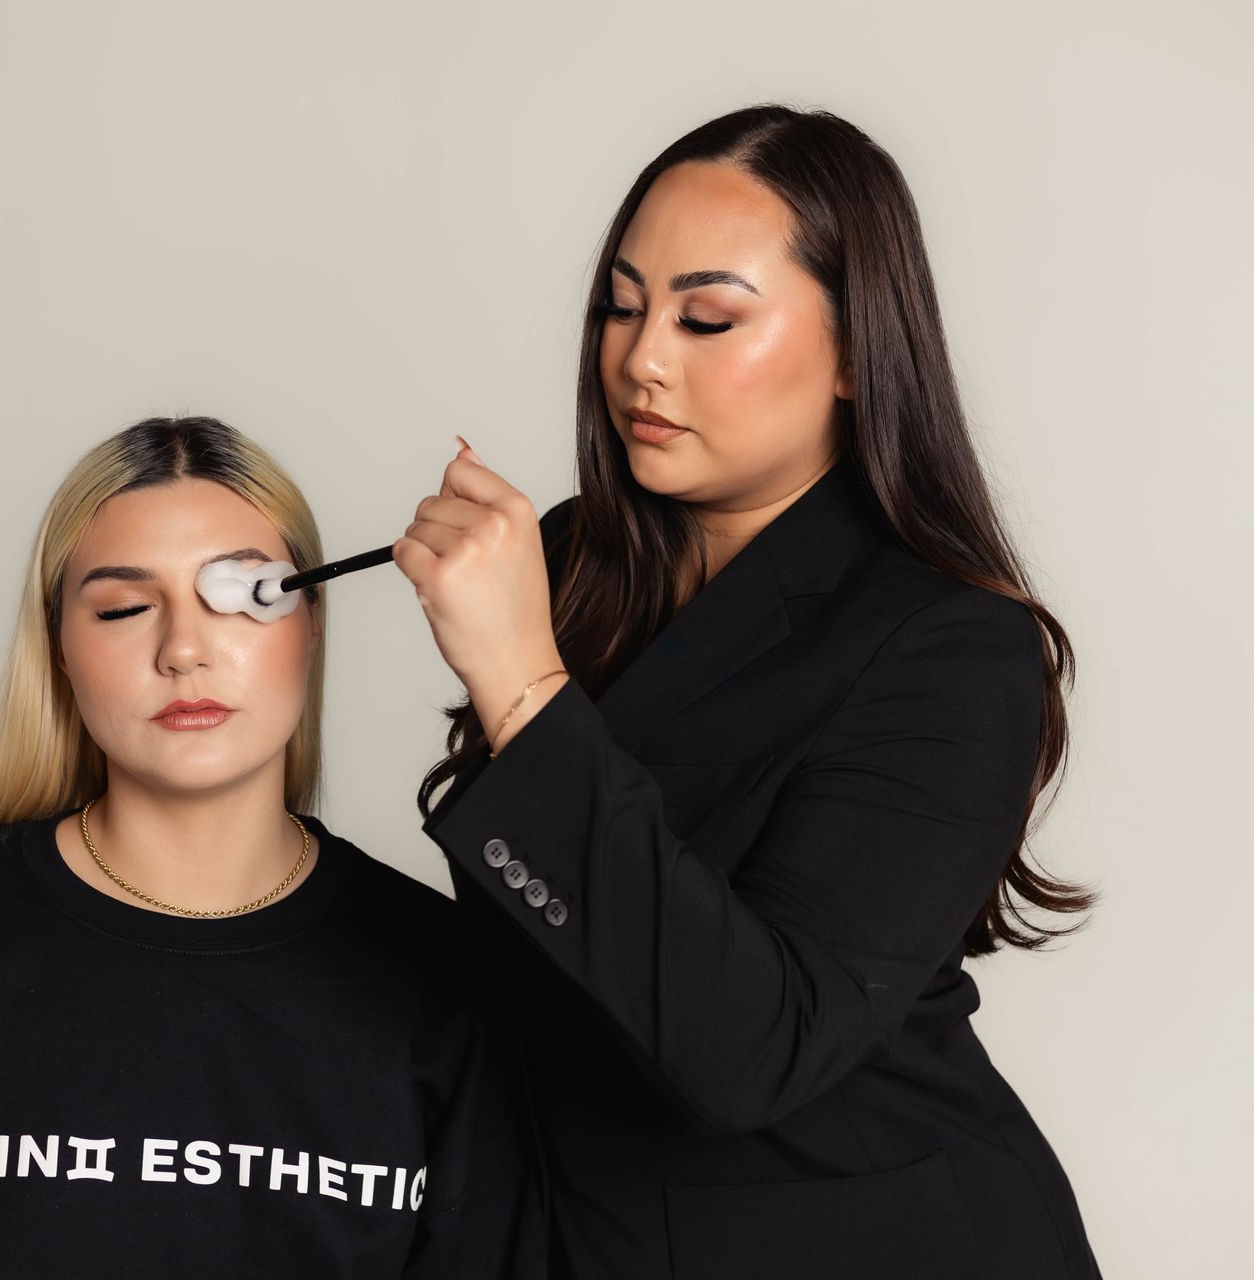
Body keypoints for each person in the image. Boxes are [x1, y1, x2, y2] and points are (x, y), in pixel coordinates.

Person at [391, 105, 1100, 1278]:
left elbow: (750, 1052)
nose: (641, 358)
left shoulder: (951, 645)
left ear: (860, 356)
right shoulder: (577, 562)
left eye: (707, 317)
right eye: (622, 305)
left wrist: (521, 681)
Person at [0, 416, 544, 1278]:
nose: (184, 650)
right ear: (58, 647)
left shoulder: (441, 977)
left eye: (244, 596)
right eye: (124, 608)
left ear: (310, 622)